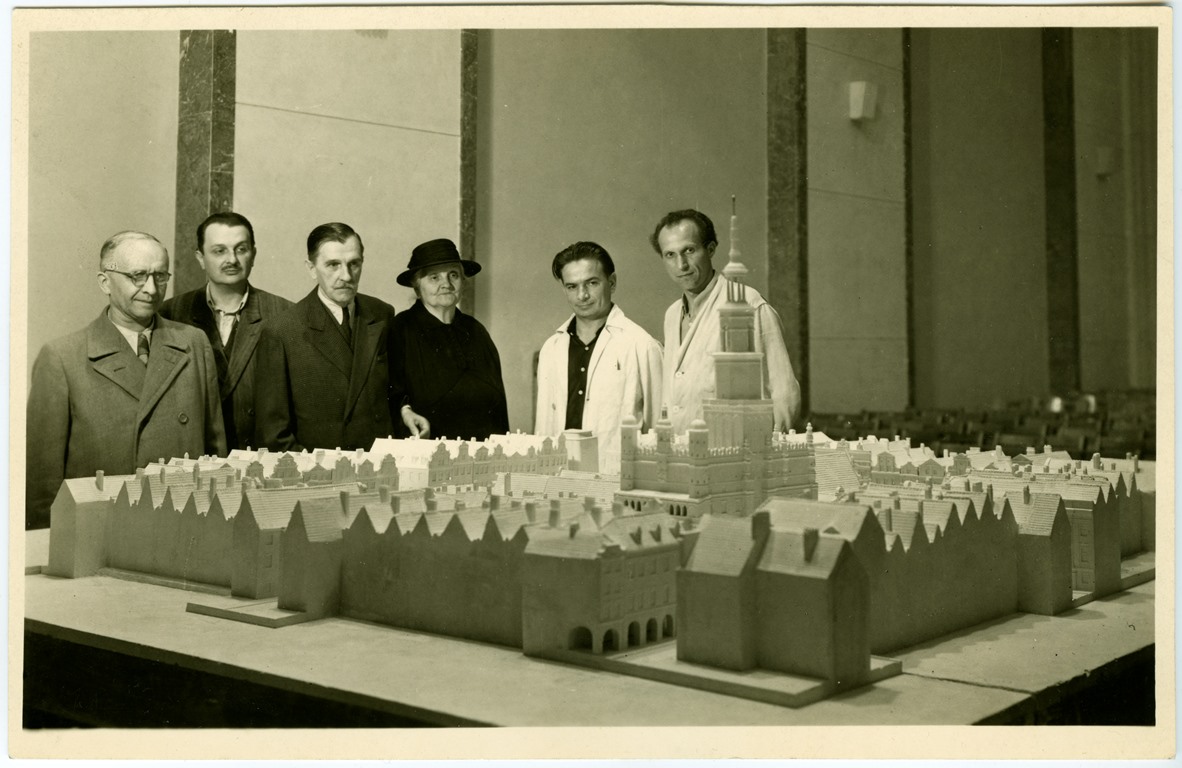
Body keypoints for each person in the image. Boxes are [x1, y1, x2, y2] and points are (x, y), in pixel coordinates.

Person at [25, 231, 226, 529]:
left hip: (183, 523)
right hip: (102, 529)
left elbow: (215, 452)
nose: (151, 289)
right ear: (105, 282)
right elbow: (42, 482)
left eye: (160, 276)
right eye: (137, 276)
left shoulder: (193, 342)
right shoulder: (62, 357)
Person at [652, 209, 801, 434]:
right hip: (684, 449)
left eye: (689, 250)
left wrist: (760, 451)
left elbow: (785, 397)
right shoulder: (672, 315)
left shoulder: (748, 304)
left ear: (711, 249)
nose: (681, 265)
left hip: (734, 450)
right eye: (670, 255)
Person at [254, 222, 398, 452]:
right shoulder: (282, 330)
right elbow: (273, 433)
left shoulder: (381, 314)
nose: (346, 276)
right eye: (333, 265)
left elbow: (393, 391)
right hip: (320, 468)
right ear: (311, 268)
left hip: (379, 463)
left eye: (354, 264)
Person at [159, 212, 293, 450]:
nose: (232, 260)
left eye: (241, 249)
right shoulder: (170, 313)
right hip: (195, 455)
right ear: (200, 258)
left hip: (259, 456)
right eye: (219, 251)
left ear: (253, 254)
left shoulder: (285, 314)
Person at [535, 241, 663, 470]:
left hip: (618, 479)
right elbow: (543, 427)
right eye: (572, 286)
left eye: (592, 283)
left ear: (611, 282)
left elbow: (659, 430)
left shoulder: (642, 345)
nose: (582, 295)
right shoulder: (551, 349)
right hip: (559, 478)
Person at [388, 238, 509, 441]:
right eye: (434, 277)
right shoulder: (400, 328)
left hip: (481, 451)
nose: (446, 284)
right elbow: (392, 395)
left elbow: (498, 403)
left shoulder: (476, 330)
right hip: (428, 449)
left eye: (453, 275)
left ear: (463, 281)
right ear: (417, 287)